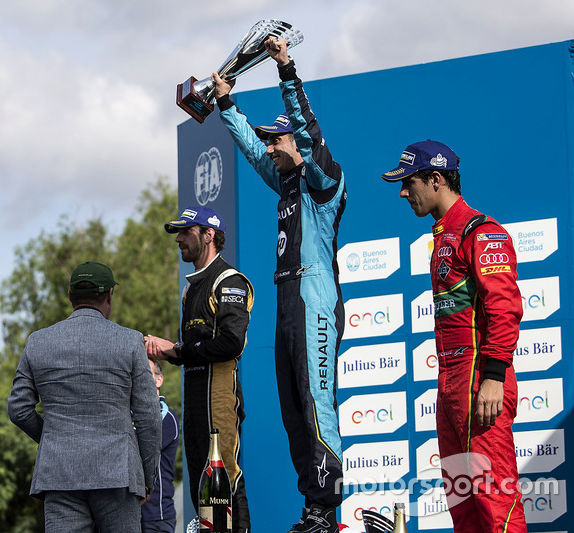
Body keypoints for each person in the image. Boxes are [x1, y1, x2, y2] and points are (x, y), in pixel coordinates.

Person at [213, 36, 346, 532]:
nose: (270, 146)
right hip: (286, 296)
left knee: (314, 401)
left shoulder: (322, 179)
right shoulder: (284, 180)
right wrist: (226, 102)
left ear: (298, 145)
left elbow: (308, 131)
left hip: (314, 297)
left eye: (278, 140)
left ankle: (327, 508)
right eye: (270, 140)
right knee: (293, 410)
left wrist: (285, 67)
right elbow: (250, 149)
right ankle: (311, 508)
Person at [381, 140, 526, 532]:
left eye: (408, 183)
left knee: (495, 499)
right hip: (450, 381)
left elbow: (505, 307)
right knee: (462, 505)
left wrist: (494, 376)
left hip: (479, 377)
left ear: (436, 178)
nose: (402, 192)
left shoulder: (481, 231)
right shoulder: (443, 236)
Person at [8, 261, 161, 533]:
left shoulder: (38, 342)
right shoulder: (130, 342)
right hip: (119, 475)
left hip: (59, 474)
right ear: (109, 296)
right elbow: (149, 416)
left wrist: (55, 437)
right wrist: (147, 478)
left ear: (70, 296)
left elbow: (18, 410)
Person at [145, 206, 254, 533]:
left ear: (209, 235)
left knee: (224, 477)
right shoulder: (190, 289)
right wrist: (174, 352)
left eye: (186, 231)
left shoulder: (230, 280)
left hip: (219, 398)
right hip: (194, 400)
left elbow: (231, 343)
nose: (178, 239)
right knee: (200, 486)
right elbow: (192, 351)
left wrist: (176, 349)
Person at [141, 360, 180, 533]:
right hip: (126, 515)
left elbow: (140, 449)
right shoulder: (126, 415)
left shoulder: (166, 417)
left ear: (159, 380)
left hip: (156, 517)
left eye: (145, 373)